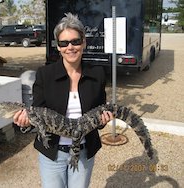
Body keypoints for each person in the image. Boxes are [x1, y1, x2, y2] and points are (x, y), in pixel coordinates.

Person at [13, 12, 114, 188]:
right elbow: (38, 114)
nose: (70, 47)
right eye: (64, 43)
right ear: (58, 47)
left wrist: (103, 121)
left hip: (84, 151)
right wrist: (24, 124)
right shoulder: (45, 75)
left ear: (84, 42)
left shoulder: (97, 74)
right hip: (52, 153)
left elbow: (99, 114)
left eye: (75, 41)